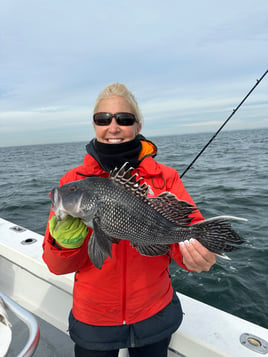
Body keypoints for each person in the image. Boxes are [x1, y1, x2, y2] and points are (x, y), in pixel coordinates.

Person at [43, 83, 216, 357]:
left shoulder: (165, 178)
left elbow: (183, 246)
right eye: (103, 119)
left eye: (124, 119)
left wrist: (198, 254)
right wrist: (64, 242)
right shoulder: (72, 183)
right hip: (94, 320)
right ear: (94, 125)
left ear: (138, 125)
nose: (113, 127)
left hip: (154, 314)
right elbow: (56, 266)